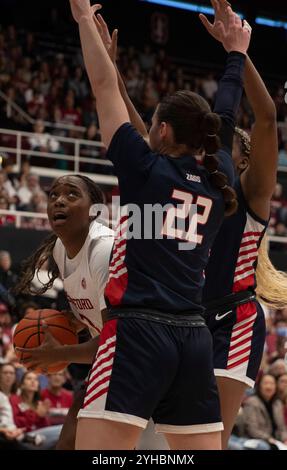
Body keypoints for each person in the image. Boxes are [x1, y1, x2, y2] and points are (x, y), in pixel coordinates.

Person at [69, 0, 251, 450]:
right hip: (193, 338)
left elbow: (102, 84)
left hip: (136, 333)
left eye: (151, 122)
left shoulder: (144, 169)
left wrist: (81, 21)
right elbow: (226, 115)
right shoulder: (218, 177)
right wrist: (235, 55)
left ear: (164, 131)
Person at [200, 0, 287, 450]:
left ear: (242, 158)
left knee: (208, 440)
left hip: (234, 318)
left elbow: (268, 115)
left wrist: (238, 53)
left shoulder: (251, 190)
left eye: (219, 142)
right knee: (169, 440)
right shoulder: (191, 187)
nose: (208, 149)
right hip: (189, 318)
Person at [15, 174, 114, 449]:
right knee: (68, 443)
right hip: (113, 362)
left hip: (145, 359)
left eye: (71, 195)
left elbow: (116, 339)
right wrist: (63, 324)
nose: (59, 200)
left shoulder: (104, 250)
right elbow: (88, 314)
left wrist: (60, 354)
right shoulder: (60, 250)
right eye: (54, 195)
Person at [241, 374, 287, 449]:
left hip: (276, 441)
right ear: (259, 386)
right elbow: (252, 429)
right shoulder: (251, 402)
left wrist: (285, 439)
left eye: (272, 384)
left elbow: (282, 427)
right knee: (264, 447)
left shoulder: (277, 404)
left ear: (275, 387)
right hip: (256, 440)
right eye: (265, 383)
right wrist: (269, 439)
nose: (269, 387)